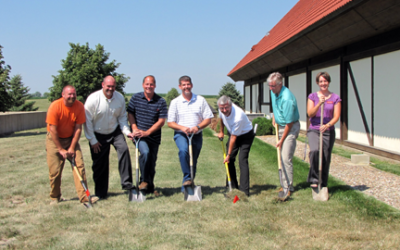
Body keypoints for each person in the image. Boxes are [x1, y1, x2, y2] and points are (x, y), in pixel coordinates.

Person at [45, 85, 98, 207]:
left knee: (79, 167)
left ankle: (85, 197)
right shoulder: (55, 106)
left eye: (74, 94)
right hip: (54, 140)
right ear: (63, 94)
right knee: (55, 172)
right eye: (69, 94)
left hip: (71, 139)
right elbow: (53, 130)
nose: (72, 96)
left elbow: (78, 129)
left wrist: (72, 147)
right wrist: (60, 149)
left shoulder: (79, 106)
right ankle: (55, 197)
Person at [84, 75, 134, 199]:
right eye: (108, 86)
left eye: (112, 86)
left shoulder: (119, 98)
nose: (110, 89)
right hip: (98, 134)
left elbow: (122, 117)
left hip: (115, 131)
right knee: (100, 164)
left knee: (124, 150)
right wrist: (93, 140)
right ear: (103, 85)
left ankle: (127, 184)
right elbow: (87, 121)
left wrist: (127, 132)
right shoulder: (93, 99)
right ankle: (101, 193)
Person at [167, 75, 214, 191]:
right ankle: (187, 178)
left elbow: (208, 119)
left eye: (188, 84)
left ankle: (189, 184)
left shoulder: (200, 100)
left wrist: (197, 127)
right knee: (183, 151)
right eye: (183, 85)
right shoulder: (175, 102)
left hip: (197, 134)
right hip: (181, 134)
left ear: (191, 85)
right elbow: (170, 123)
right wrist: (183, 128)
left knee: (193, 159)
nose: (186, 87)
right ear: (180, 86)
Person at [127, 75, 168, 195]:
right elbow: (130, 113)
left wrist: (148, 132)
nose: (149, 86)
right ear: (142, 85)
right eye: (147, 84)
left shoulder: (160, 101)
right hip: (139, 136)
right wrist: (134, 128)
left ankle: (149, 186)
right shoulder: (135, 98)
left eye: (151, 84)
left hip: (154, 137)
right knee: (145, 153)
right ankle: (143, 181)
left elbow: (161, 121)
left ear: (155, 85)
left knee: (151, 162)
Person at [268, 72, 300, 199]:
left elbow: (290, 123)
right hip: (279, 125)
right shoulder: (273, 90)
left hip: (290, 128)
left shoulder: (287, 99)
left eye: (273, 86)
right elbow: (275, 105)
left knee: (286, 157)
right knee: (280, 158)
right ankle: (284, 184)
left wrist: (281, 140)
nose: (270, 88)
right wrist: (274, 116)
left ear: (280, 84)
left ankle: (288, 187)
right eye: (269, 85)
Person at [307, 72, 341, 188]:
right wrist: (319, 104)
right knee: (315, 151)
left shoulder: (335, 98)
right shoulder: (312, 96)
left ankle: (324, 184)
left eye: (325, 81)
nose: (323, 83)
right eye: (321, 81)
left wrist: (327, 125)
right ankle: (314, 179)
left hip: (328, 131)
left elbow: (336, 116)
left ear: (329, 82)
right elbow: (310, 114)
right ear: (317, 83)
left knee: (326, 157)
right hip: (314, 129)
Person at [217, 95, 254, 196]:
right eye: (222, 108)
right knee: (229, 160)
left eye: (226, 107)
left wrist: (228, 154)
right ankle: (232, 186)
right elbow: (221, 119)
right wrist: (221, 131)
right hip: (233, 133)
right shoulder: (221, 109)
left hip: (246, 135)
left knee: (242, 159)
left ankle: (244, 191)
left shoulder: (238, 115)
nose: (224, 110)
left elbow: (233, 138)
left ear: (230, 104)